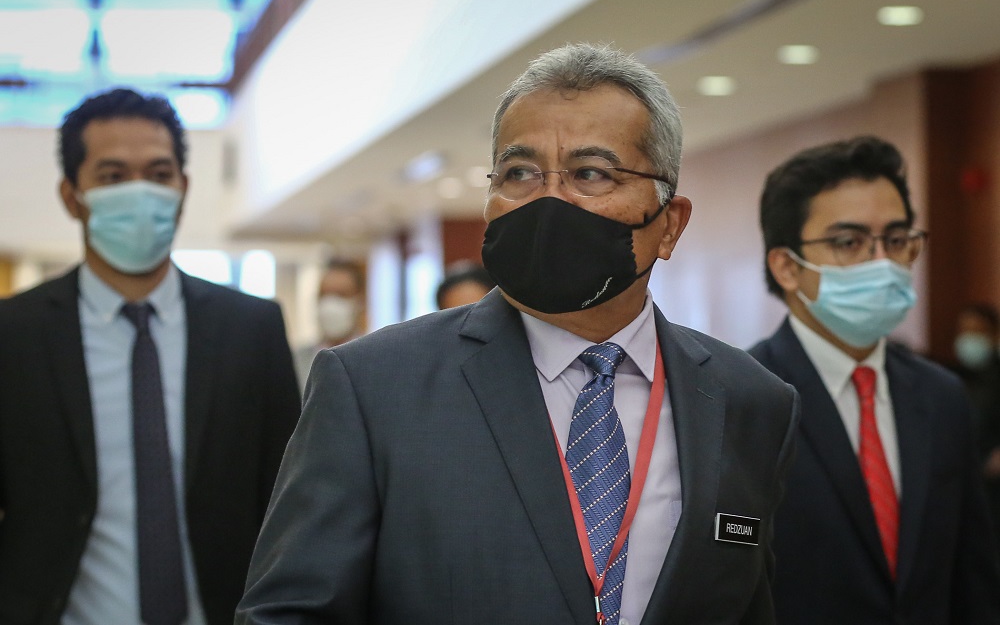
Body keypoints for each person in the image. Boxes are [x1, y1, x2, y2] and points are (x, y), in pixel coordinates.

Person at [238, 43, 800, 625]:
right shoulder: (374, 388)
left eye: (590, 173)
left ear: (669, 225)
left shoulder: (750, 401)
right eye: (519, 174)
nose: (549, 200)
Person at [0, 88, 301, 625]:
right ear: (71, 196)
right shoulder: (13, 334)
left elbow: (290, 498)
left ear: (183, 188)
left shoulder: (252, 329)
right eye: (113, 176)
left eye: (159, 174)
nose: (140, 192)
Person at [748, 135, 1000, 624]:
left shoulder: (941, 396)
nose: (883, 262)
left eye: (897, 240)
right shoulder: (743, 398)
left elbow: (973, 575)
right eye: (849, 242)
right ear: (787, 267)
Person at [953, 302, 1000, 539]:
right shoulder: (948, 379)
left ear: (994, 335)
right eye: (965, 331)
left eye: (977, 331)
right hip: (960, 482)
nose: (969, 339)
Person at [294, 258, 365, 387]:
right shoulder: (296, 361)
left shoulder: (374, 358)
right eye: (324, 295)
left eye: (341, 295)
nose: (330, 303)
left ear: (359, 302)